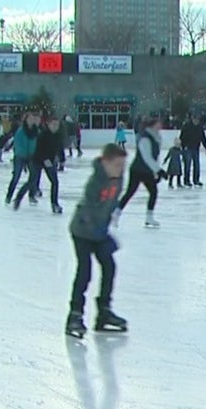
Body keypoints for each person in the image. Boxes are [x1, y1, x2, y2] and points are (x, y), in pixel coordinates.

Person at [65, 144, 129, 338]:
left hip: (99, 231)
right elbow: (90, 212)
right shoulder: (96, 181)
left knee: (109, 267)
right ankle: (74, 315)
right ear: (105, 162)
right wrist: (103, 234)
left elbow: (111, 205)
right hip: (82, 230)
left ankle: (104, 312)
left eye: (123, 165)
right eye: (118, 165)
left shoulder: (118, 179)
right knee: (85, 271)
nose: (121, 169)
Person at [116, 115, 167, 228]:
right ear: (152, 125)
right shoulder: (144, 138)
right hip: (137, 170)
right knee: (130, 192)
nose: (161, 126)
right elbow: (146, 157)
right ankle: (116, 214)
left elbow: (155, 157)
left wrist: (156, 172)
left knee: (153, 192)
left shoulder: (157, 137)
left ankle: (149, 217)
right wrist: (158, 171)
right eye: (158, 124)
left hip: (147, 170)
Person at [14, 116, 65, 214]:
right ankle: (18, 199)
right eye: (53, 124)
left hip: (50, 161)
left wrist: (62, 159)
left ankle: (54, 204)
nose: (55, 127)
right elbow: (38, 150)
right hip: (37, 160)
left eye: (57, 125)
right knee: (32, 182)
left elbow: (60, 148)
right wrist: (45, 159)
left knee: (55, 182)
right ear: (48, 124)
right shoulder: (42, 135)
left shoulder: (58, 135)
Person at [5, 113, 40, 205]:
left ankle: (31, 196)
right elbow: (18, 144)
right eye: (30, 119)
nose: (32, 120)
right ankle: (9, 196)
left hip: (31, 157)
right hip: (20, 156)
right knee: (16, 176)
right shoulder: (21, 131)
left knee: (34, 176)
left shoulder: (36, 131)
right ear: (26, 120)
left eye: (33, 119)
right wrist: (23, 153)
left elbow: (38, 143)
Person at [179, 114, 206, 187]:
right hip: (188, 148)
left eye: (198, 120)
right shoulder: (186, 126)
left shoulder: (199, 127)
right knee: (187, 165)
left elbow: (203, 137)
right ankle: (186, 180)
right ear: (192, 119)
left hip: (196, 148)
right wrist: (183, 146)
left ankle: (196, 180)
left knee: (197, 165)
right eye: (195, 120)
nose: (196, 121)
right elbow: (182, 137)